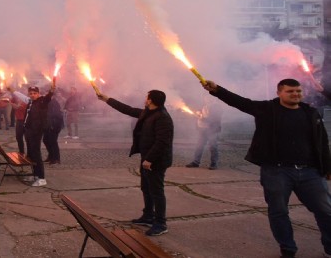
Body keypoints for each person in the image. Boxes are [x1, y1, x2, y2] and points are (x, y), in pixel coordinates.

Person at [202, 78, 331, 258]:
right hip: (277, 171)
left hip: (310, 171)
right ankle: (288, 249)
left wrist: (327, 166)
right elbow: (241, 103)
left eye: (298, 91)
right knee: (278, 211)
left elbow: (322, 141)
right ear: (279, 93)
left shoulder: (310, 112)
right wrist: (217, 90)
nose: (295, 94)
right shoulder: (267, 109)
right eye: (290, 91)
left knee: (325, 210)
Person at [97, 89, 173, 236]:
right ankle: (148, 216)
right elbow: (128, 109)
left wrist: (150, 159)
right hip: (147, 158)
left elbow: (162, 142)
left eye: (147, 97)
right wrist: (107, 99)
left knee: (157, 191)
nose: (145, 99)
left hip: (156, 161)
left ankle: (160, 223)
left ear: (150, 100)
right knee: (146, 187)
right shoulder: (148, 112)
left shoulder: (162, 117)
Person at [9, 82, 55, 187]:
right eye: (31, 93)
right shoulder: (30, 102)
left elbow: (48, 97)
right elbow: (22, 97)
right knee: (30, 154)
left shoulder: (42, 101)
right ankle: (35, 175)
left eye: (35, 93)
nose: (33, 95)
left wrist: (51, 91)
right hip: (28, 131)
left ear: (38, 94)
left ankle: (42, 178)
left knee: (36, 154)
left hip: (36, 132)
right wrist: (12, 91)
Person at [185, 98, 222, 170]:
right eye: (205, 96)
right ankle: (196, 162)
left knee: (213, 147)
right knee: (199, 146)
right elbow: (200, 112)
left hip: (212, 130)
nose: (206, 98)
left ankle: (214, 164)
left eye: (208, 97)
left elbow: (215, 119)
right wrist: (198, 113)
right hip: (202, 129)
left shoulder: (216, 106)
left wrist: (203, 119)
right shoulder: (204, 106)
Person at [44, 94, 65, 164]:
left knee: (53, 141)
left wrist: (53, 125)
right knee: (45, 140)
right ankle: (51, 155)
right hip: (48, 125)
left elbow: (56, 115)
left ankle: (56, 158)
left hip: (54, 125)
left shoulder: (54, 102)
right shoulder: (47, 102)